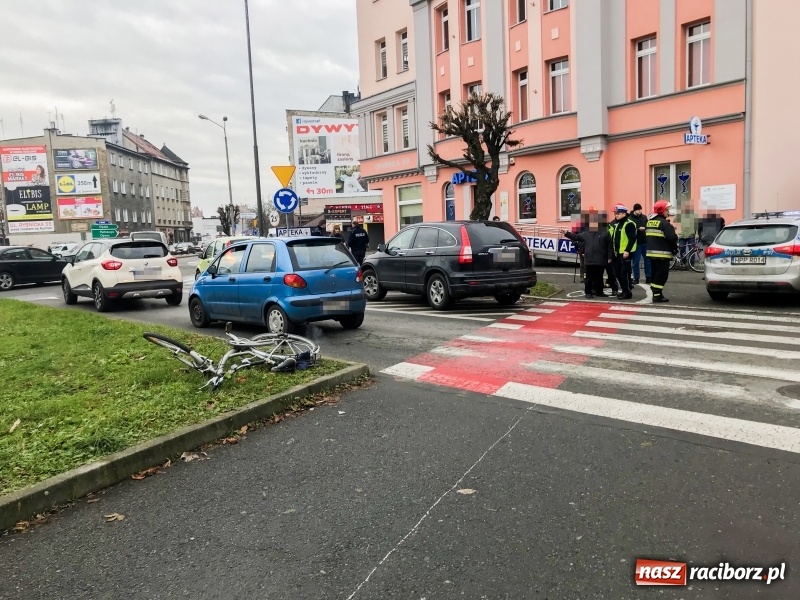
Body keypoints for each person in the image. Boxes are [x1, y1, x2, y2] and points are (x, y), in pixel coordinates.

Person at [562, 214, 612, 299]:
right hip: (589, 259)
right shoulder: (585, 234)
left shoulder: (605, 233)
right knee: (589, 277)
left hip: (601, 258)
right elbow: (575, 237)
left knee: (599, 276)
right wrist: (566, 233)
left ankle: (599, 292)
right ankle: (588, 292)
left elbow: (609, 246)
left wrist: (609, 257)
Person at [646, 201, 679, 303]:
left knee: (655, 274)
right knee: (662, 275)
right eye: (667, 210)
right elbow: (672, 238)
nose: (668, 212)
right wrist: (674, 247)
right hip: (662, 254)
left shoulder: (649, 222)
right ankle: (657, 295)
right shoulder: (665, 223)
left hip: (651, 253)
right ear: (662, 210)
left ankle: (656, 294)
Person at [608, 205, 637, 300]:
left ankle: (627, 291)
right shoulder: (618, 224)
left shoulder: (629, 224)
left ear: (624, 214)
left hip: (625, 253)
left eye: (618, 214)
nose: (616, 215)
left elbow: (632, 238)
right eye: (615, 214)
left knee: (624, 273)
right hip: (617, 252)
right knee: (617, 272)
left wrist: (627, 251)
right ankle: (625, 290)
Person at [629, 203, 651, 284]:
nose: (640, 211)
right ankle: (636, 278)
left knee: (647, 261)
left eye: (640, 209)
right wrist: (638, 229)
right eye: (638, 210)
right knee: (636, 261)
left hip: (645, 241)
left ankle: (648, 277)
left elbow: (647, 226)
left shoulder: (644, 217)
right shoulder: (630, 218)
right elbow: (630, 229)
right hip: (636, 242)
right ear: (635, 210)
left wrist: (645, 228)